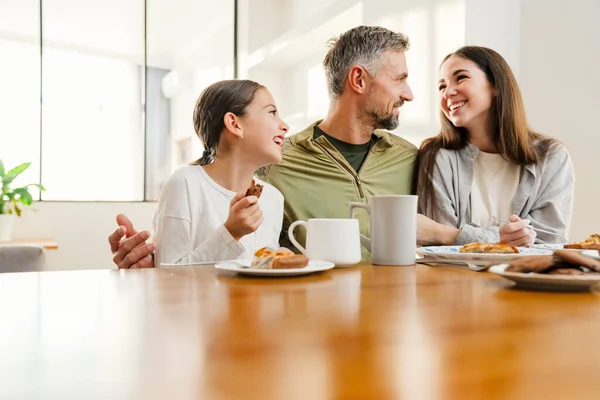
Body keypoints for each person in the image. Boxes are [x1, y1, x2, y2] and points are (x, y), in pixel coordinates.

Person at [256, 25, 421, 256]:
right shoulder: (275, 164)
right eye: (399, 79)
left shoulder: (410, 158)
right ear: (358, 79)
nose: (408, 94)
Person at [112, 80, 288, 268]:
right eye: (272, 113)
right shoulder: (184, 183)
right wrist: (231, 233)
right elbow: (168, 275)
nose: (285, 126)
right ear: (234, 124)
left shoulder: (273, 198)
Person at [416, 46, 574, 246]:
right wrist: (500, 238)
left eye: (461, 78)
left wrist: (465, 236)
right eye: (441, 86)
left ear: (496, 86)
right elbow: (436, 243)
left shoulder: (551, 157)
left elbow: (549, 242)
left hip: (524, 277)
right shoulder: (437, 155)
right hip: (454, 277)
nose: (448, 92)